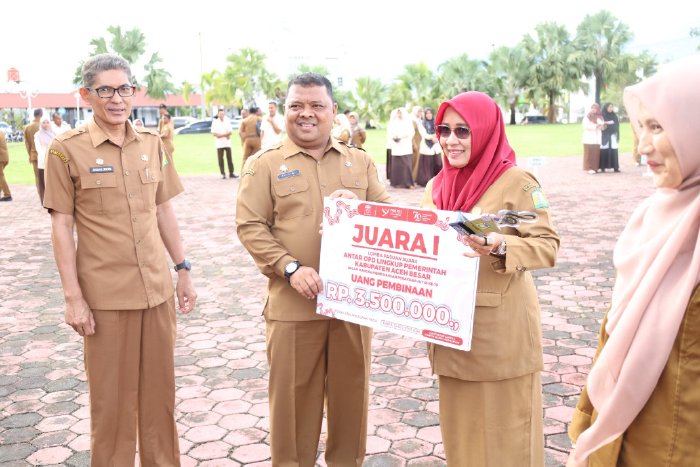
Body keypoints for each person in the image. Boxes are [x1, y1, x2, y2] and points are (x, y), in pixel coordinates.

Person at [43, 53, 197, 466]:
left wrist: (183, 270)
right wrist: (73, 298)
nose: (116, 99)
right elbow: (62, 226)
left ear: (133, 91)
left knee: (160, 399)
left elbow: (163, 209)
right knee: (112, 406)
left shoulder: (151, 144)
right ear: (86, 94)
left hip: (157, 292)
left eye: (124, 88)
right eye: (106, 90)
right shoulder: (64, 151)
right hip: (106, 299)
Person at [236, 72, 391, 466]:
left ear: (333, 111)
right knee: (292, 407)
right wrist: (290, 268)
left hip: (353, 308)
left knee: (350, 401)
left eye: (316, 106)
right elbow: (250, 226)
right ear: (285, 111)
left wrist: (360, 210)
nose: (306, 114)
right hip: (293, 306)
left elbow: (391, 218)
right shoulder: (264, 165)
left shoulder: (361, 163)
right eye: (296, 106)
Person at [567, 56, 700, 467]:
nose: (641, 146)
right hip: (622, 431)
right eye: (641, 127)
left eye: (658, 127)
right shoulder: (653, 215)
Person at [419, 91, 559, 466]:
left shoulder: (516, 182)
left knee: (507, 438)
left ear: (484, 132)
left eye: (463, 131)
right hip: (452, 331)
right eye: (444, 130)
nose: (451, 140)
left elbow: (546, 245)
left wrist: (498, 244)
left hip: (501, 337)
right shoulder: (436, 187)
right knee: (463, 438)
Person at [387, 107, 415, 188]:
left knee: (406, 165)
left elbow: (411, 132)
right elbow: (390, 132)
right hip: (396, 146)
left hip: (405, 146)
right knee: (396, 165)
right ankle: (396, 182)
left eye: (400, 113)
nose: (399, 115)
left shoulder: (408, 122)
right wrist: (394, 136)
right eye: (398, 113)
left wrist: (400, 136)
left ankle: (408, 183)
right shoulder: (394, 122)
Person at [415, 107, 441, 186]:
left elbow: (440, 131)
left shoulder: (436, 122)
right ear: (425, 115)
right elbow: (424, 134)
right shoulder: (422, 123)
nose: (429, 115)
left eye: (430, 113)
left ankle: (438, 180)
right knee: (427, 164)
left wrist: (436, 138)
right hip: (426, 146)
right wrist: (432, 137)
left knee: (438, 163)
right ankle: (427, 181)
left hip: (436, 145)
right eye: (427, 114)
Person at [33, 116, 55, 204]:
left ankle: (53, 200)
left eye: (47, 122)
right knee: (43, 181)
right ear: (41, 124)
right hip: (43, 161)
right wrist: (46, 157)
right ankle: (44, 200)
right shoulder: (37, 135)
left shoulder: (54, 133)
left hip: (54, 160)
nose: (45, 125)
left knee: (53, 181)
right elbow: (39, 149)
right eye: (43, 122)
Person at [211, 108, 236, 178]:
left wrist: (221, 135)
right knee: (220, 159)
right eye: (220, 114)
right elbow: (214, 134)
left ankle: (231, 173)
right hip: (219, 144)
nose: (222, 115)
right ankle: (223, 174)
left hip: (227, 143)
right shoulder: (215, 122)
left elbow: (230, 132)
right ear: (218, 114)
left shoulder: (227, 121)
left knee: (229, 158)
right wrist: (225, 135)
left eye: (223, 114)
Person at [24, 108, 42, 196]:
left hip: (34, 154)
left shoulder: (28, 127)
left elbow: (27, 143)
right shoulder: (44, 125)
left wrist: (29, 155)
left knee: (37, 176)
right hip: (44, 154)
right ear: (41, 114)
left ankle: (40, 193)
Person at [582, 103, 603, 174]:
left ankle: (595, 167)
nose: (594, 110)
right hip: (589, 137)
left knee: (596, 153)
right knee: (589, 153)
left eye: (595, 108)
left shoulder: (599, 117)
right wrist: (595, 126)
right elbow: (585, 126)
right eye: (593, 108)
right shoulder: (587, 116)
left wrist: (602, 125)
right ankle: (588, 168)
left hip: (597, 138)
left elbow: (601, 126)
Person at [600, 103, 620, 172]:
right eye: (609, 107)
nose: (610, 109)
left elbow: (617, 125)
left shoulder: (614, 116)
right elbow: (601, 126)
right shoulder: (602, 116)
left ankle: (615, 167)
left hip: (613, 135)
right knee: (604, 149)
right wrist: (605, 124)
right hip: (605, 135)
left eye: (611, 107)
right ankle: (603, 167)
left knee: (614, 150)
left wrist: (611, 125)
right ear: (606, 108)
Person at [0, 129, 11, 201]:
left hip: (1, 157)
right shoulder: (1, 132)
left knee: (0, 176)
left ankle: (7, 195)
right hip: (4, 157)